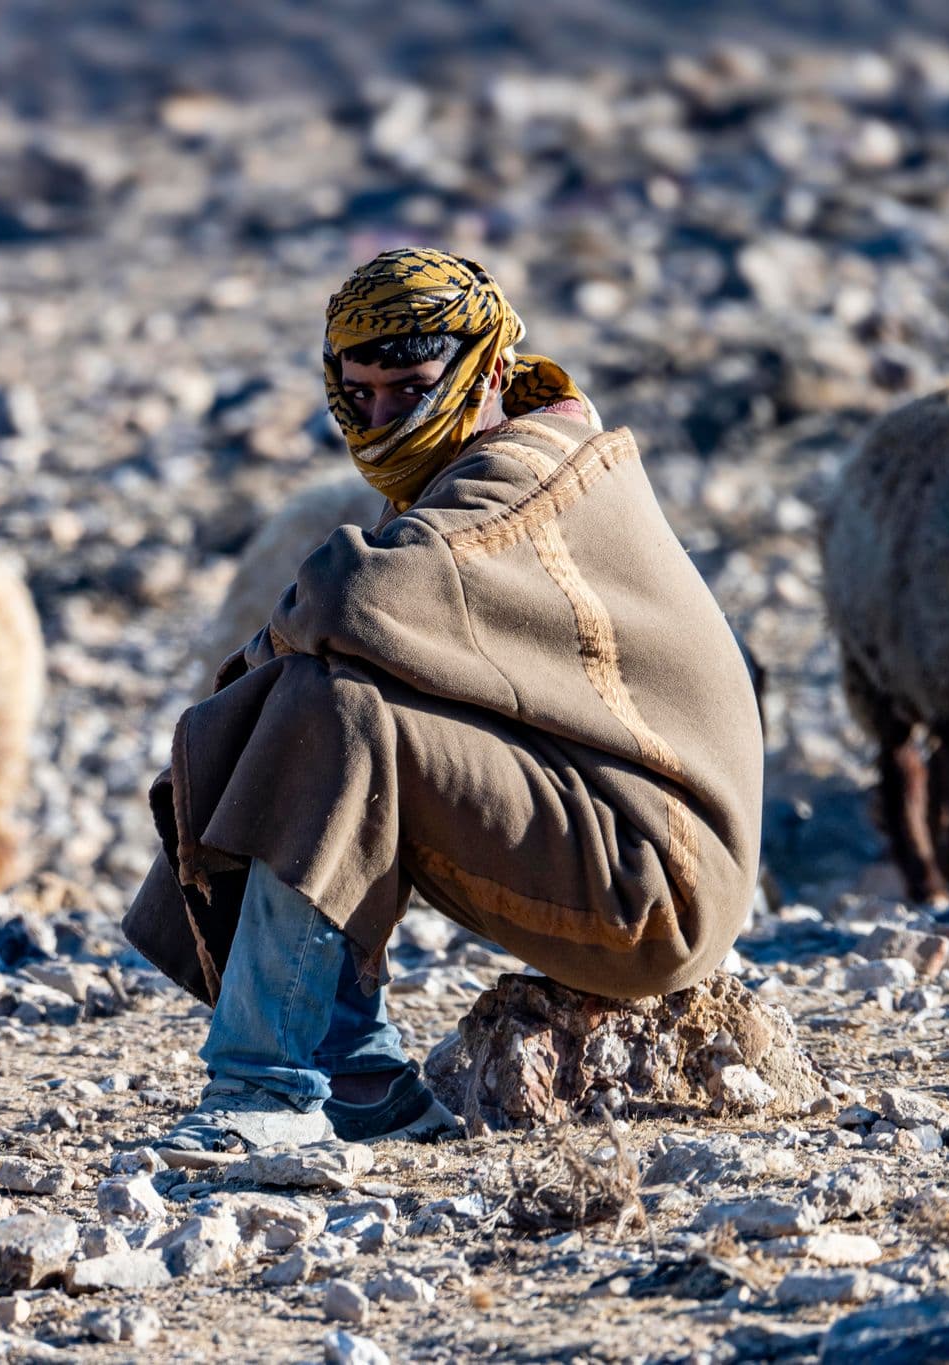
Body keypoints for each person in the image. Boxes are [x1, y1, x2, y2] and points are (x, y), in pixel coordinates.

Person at [126, 248, 765, 1152]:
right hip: (622, 834)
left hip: (659, 883)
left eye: (411, 389)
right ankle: (360, 1084)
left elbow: (355, 595)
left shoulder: (518, 476)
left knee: (333, 710)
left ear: (489, 373)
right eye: (362, 395)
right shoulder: (512, 451)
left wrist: (244, 687)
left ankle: (267, 1092)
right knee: (336, 706)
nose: (383, 418)